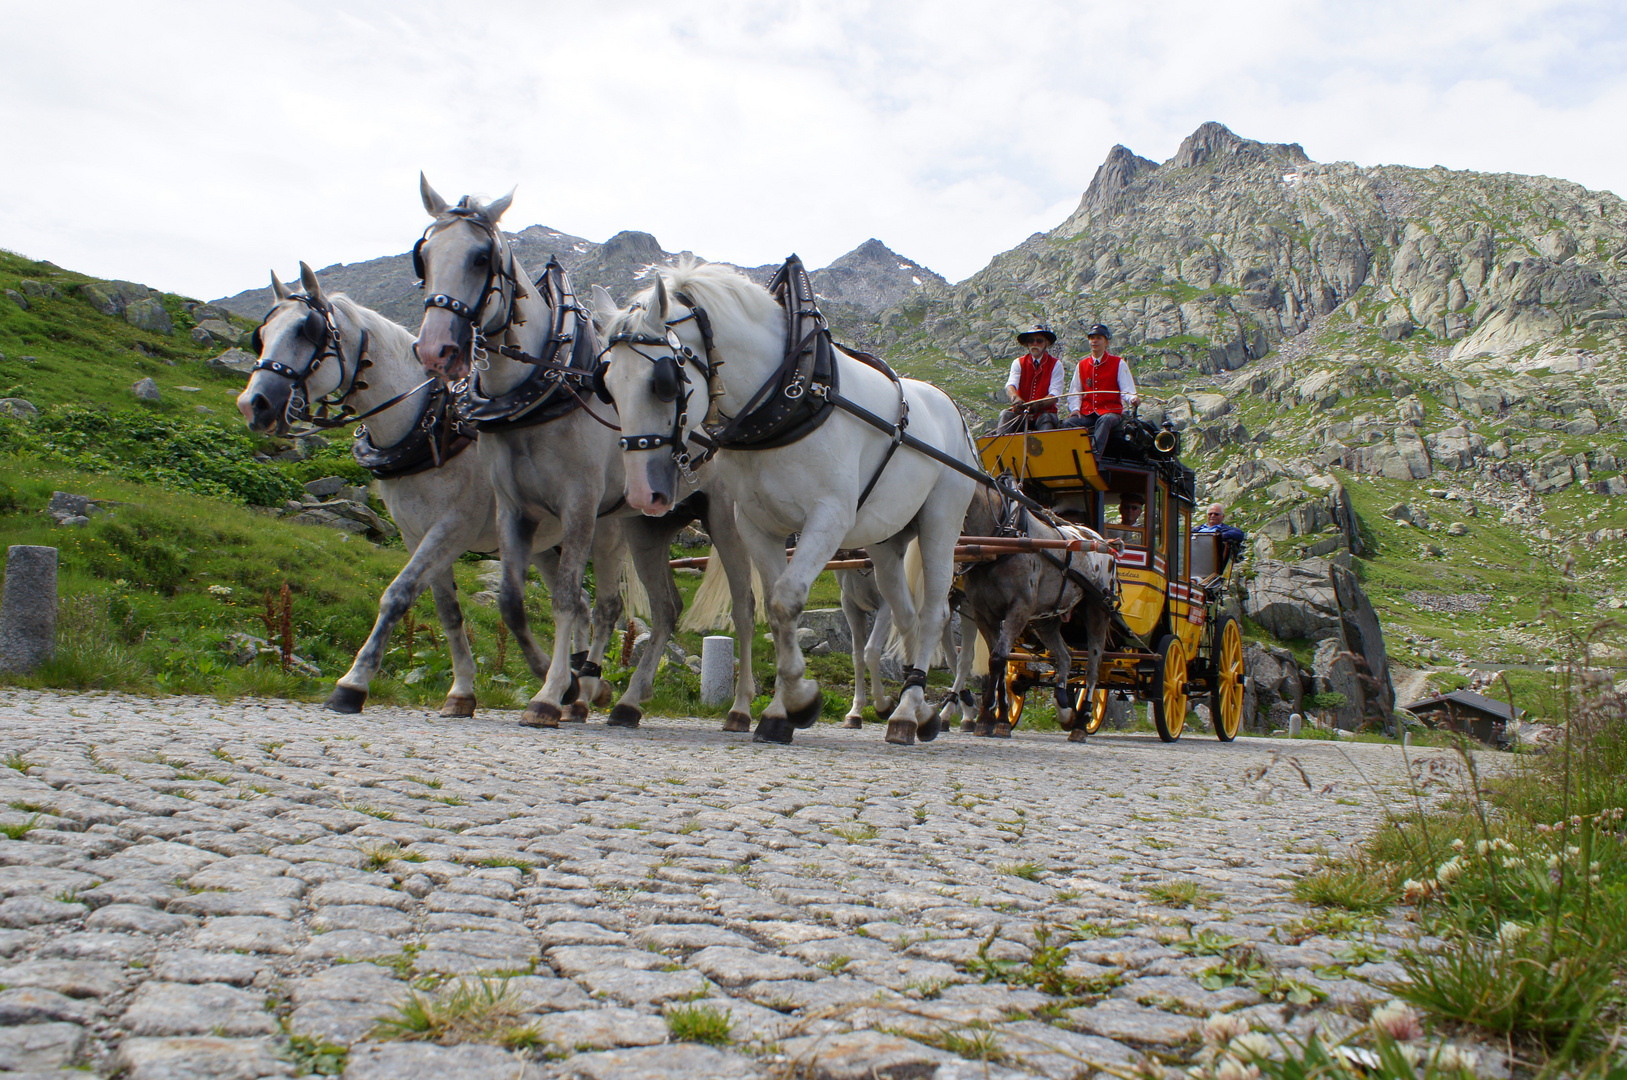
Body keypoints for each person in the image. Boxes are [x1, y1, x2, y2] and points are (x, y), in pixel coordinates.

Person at [1062, 324, 1138, 453]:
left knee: (1105, 420)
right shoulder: (1082, 365)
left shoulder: (1118, 363)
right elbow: (1075, 392)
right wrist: (1075, 409)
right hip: (1088, 412)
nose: (1094, 341)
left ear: (1106, 342)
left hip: (1111, 411)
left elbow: (1127, 390)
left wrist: (1132, 399)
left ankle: (1093, 456)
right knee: (1068, 423)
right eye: (1092, 338)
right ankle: (1071, 456)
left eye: (1098, 338)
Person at [997, 324, 1065, 434]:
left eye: (1039, 341)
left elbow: (1055, 394)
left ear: (1046, 343)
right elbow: (1011, 385)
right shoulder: (1018, 363)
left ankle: (1046, 450)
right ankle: (1000, 449)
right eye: (1031, 341)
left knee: (1047, 419)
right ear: (1027, 344)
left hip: (1044, 414)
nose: (1035, 344)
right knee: (1006, 415)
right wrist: (1015, 399)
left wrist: (1040, 404)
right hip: (1022, 415)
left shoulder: (1056, 364)